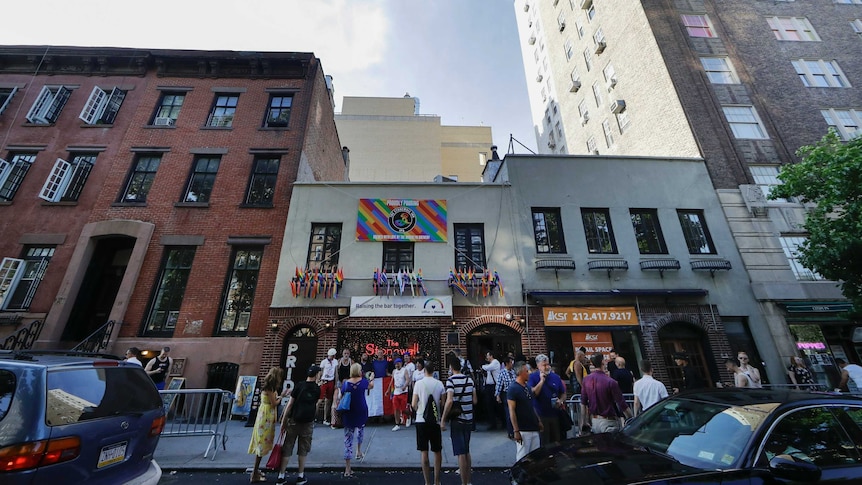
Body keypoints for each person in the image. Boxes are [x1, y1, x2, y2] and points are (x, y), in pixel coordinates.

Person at [276, 365, 320, 485]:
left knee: (288, 446)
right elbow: (316, 405)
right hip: (308, 422)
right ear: (316, 375)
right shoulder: (317, 389)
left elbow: (290, 404)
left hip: (294, 420)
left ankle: (281, 475)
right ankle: (300, 475)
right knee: (303, 449)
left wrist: (284, 421)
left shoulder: (299, 385)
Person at [441, 353, 477, 485]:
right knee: (467, 450)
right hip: (469, 419)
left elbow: (449, 401)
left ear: (451, 367)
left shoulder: (451, 381)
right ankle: (468, 481)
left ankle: (463, 483)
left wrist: (443, 419)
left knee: (460, 452)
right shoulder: (470, 380)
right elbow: (475, 400)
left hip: (457, 420)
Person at [248, 367, 284, 483]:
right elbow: (274, 404)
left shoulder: (269, 388)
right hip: (266, 418)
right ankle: (254, 473)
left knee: (261, 444)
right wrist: (282, 396)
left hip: (265, 415)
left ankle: (256, 470)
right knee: (262, 445)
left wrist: (278, 396)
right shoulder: (269, 389)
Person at [412, 361, 445, 485]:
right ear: (433, 371)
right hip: (435, 421)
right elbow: (443, 403)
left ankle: (427, 482)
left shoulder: (419, 384)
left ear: (424, 370)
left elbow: (414, 403)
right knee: (437, 451)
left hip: (421, 420)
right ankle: (437, 481)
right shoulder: (440, 384)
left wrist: (419, 410)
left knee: (424, 451)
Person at [581, 353, 632, 433]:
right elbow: (622, 404)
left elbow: (583, 403)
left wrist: (583, 422)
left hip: (594, 422)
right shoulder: (610, 382)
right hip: (609, 422)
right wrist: (631, 418)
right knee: (612, 445)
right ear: (603, 362)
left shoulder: (586, 380)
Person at [527, 353, 567, 446]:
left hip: (555, 414)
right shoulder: (533, 377)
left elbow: (563, 393)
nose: (547, 367)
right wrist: (541, 381)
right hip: (541, 415)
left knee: (556, 442)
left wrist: (561, 400)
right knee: (544, 442)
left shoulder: (555, 377)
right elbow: (533, 393)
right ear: (538, 366)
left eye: (548, 364)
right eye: (544, 365)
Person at [341, 363, 373, 478]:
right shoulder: (363, 381)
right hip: (361, 410)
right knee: (361, 430)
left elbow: (341, 394)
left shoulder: (346, 383)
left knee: (348, 440)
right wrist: (371, 378)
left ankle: (347, 468)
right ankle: (358, 451)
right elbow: (371, 386)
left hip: (349, 411)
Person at [507, 361, 543, 461]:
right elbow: (512, 410)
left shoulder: (527, 387)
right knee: (522, 456)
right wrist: (516, 430)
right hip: (523, 429)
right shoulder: (513, 388)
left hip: (533, 426)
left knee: (535, 457)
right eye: (527, 371)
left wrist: (538, 421)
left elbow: (531, 406)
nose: (529, 373)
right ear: (521, 373)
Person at [495, 356, 517, 437]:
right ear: (507, 363)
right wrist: (497, 395)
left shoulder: (513, 372)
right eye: (511, 362)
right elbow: (499, 384)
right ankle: (510, 431)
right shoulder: (502, 373)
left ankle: (516, 429)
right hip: (507, 393)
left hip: (515, 393)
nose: (512, 364)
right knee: (509, 413)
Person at [481, 350, 502, 430]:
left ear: (491, 356)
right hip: (489, 386)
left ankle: (497, 422)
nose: (487, 357)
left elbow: (487, 368)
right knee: (490, 405)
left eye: (488, 355)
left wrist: (482, 366)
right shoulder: (491, 363)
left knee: (494, 405)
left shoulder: (495, 363)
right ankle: (493, 423)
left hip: (493, 386)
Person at [317, 348, 338, 425]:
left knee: (328, 400)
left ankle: (325, 419)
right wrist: (319, 380)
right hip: (324, 381)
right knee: (319, 400)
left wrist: (336, 383)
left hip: (331, 381)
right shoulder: (324, 362)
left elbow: (336, 372)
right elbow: (320, 372)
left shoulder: (335, 362)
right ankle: (314, 417)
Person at [389, 358, 410, 431]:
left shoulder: (404, 370)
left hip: (403, 391)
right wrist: (388, 390)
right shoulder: (394, 371)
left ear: (401, 363)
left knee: (403, 408)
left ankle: (408, 416)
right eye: (396, 364)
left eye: (398, 363)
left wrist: (405, 386)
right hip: (396, 391)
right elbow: (392, 381)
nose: (397, 365)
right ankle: (397, 424)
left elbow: (407, 379)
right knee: (396, 408)